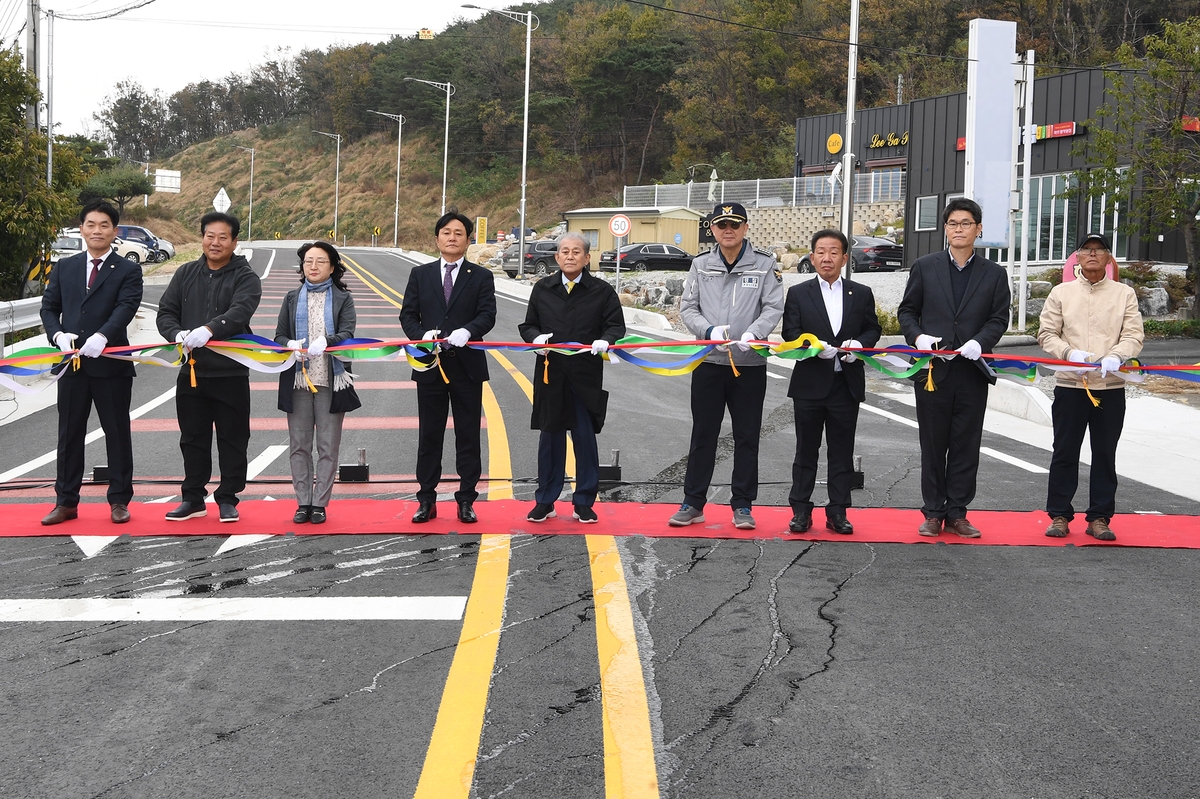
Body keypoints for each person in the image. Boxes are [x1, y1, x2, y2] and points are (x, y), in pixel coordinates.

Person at [898, 197, 1010, 538]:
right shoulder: (925, 266)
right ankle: (933, 512)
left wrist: (981, 341)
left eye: (965, 223)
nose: (958, 229)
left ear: (978, 229)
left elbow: (999, 317)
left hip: (972, 371)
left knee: (965, 442)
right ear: (945, 229)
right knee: (933, 443)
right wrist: (917, 338)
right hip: (933, 370)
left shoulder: (994, 273)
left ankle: (958, 512)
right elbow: (907, 312)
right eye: (952, 224)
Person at [673, 201, 784, 530]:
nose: (728, 230)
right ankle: (693, 502)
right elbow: (688, 307)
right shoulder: (701, 264)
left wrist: (756, 332)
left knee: (747, 436)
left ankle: (743, 505)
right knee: (703, 434)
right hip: (709, 361)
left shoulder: (764, 265)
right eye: (722, 225)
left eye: (735, 224)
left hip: (748, 364)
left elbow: (773, 306)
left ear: (746, 228)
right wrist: (707, 331)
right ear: (713, 229)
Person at [38, 200, 143, 525]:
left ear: (114, 230)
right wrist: (57, 336)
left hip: (111, 366)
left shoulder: (128, 269)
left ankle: (119, 501)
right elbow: (48, 308)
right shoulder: (65, 267)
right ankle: (66, 501)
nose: (97, 231)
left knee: (116, 432)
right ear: (81, 228)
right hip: (72, 365)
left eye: (104, 225)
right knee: (69, 435)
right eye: (91, 224)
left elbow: (126, 307)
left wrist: (103, 336)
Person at [156, 212, 262, 523]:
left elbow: (241, 309)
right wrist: (174, 332)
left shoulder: (245, 276)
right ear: (202, 237)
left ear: (234, 242)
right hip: (191, 372)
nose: (215, 242)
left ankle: (228, 497)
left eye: (222, 237)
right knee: (192, 437)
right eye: (209, 236)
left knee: (233, 437)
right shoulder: (186, 273)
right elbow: (166, 312)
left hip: (230, 372)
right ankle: (192, 497)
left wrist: (210, 329)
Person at [1038, 233, 1143, 541]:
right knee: (1065, 451)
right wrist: (1070, 354)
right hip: (1071, 384)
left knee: (1105, 453)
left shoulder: (1124, 294)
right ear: (1078, 257)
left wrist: (1117, 355)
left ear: (1109, 258)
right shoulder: (1061, 292)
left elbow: (1134, 335)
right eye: (1087, 250)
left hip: (1110, 387)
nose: (1093, 254)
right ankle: (1059, 514)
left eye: (1099, 250)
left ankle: (1100, 517)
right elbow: (1046, 334)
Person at [518, 232, 625, 523]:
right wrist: (536, 339)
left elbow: (616, 326)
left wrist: (607, 340)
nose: (569, 256)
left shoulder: (601, 291)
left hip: (585, 376)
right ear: (556, 257)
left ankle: (584, 501)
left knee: (584, 439)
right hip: (551, 374)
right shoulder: (543, 288)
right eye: (564, 251)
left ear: (587, 258)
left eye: (576, 252)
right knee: (550, 439)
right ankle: (546, 499)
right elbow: (527, 326)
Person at [399, 207, 497, 524]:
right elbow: (407, 316)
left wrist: (468, 331)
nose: (452, 237)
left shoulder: (480, 276)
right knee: (430, 437)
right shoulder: (420, 274)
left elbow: (487, 314)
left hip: (467, 368)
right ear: (437, 238)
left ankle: (466, 500)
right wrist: (421, 335)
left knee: (468, 437)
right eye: (446, 232)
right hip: (430, 367)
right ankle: (426, 499)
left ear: (468, 240)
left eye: (459, 233)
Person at [782, 229, 882, 535]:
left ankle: (838, 510)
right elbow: (790, 334)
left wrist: (857, 348)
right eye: (821, 252)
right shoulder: (799, 293)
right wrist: (813, 347)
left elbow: (872, 330)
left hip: (845, 384)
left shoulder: (861, 292)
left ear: (844, 257)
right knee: (805, 451)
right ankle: (801, 509)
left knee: (842, 452)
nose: (827, 258)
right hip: (810, 384)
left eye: (834, 252)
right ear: (812, 257)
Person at [274, 242, 360, 525]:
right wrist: (288, 344)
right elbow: (278, 336)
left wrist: (329, 341)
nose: (313, 266)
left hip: (330, 380)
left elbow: (347, 332)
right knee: (299, 445)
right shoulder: (290, 298)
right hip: (297, 379)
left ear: (332, 267)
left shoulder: (343, 299)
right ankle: (303, 502)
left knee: (327, 445)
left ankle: (320, 503)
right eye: (308, 261)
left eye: (320, 261)